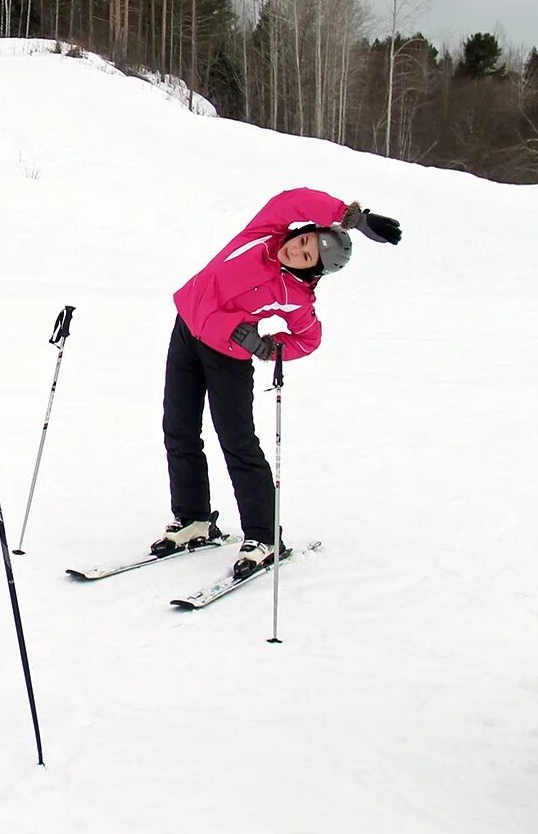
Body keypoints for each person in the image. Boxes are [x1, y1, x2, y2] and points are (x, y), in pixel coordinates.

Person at [153, 189, 402, 577]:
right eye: (302, 241)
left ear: (312, 271)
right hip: (186, 329)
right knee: (179, 430)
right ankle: (192, 519)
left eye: (306, 256)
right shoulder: (264, 235)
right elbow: (292, 200)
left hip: (227, 356)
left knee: (237, 443)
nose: (296, 250)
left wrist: (267, 347)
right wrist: (350, 216)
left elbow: (309, 339)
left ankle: (264, 537)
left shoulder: (296, 298)